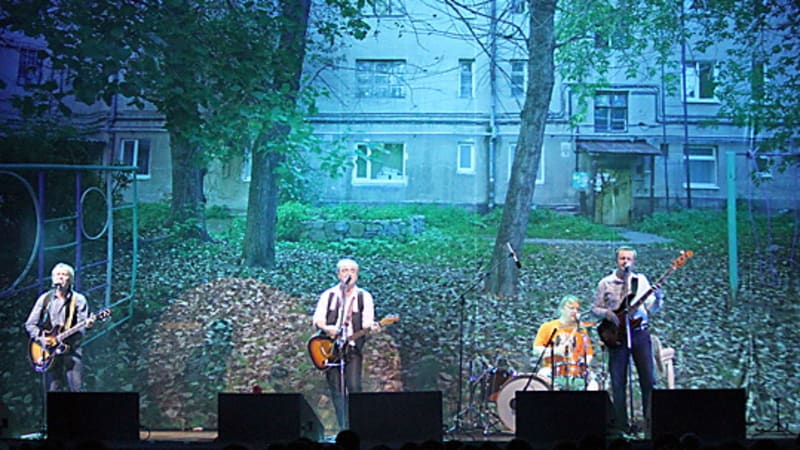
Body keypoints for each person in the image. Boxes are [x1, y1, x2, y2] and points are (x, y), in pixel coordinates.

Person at [591, 246, 663, 435]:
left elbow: (652, 309)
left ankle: (650, 423)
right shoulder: (606, 282)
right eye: (622, 258)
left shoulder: (641, 281)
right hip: (617, 335)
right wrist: (607, 314)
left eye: (629, 259)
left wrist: (658, 298)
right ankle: (621, 425)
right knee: (618, 381)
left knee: (648, 379)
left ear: (634, 261)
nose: (625, 262)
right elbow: (595, 308)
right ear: (617, 260)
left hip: (639, 333)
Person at [312, 258, 378, 429]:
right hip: (330, 348)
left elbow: (367, 322)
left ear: (357, 275)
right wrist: (328, 329)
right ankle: (343, 427)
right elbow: (318, 319)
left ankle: (358, 426)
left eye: (352, 271)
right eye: (344, 270)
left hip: (352, 348)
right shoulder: (329, 295)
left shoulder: (364, 297)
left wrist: (372, 327)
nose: (349, 274)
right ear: (338, 275)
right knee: (337, 389)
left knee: (354, 386)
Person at [24, 262, 93, 391]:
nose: (60, 277)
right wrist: (41, 338)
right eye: (57, 275)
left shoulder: (79, 299)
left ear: (70, 280)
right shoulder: (45, 299)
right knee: (53, 387)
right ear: (53, 279)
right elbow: (30, 323)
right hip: (48, 349)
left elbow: (83, 325)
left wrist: (88, 325)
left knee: (76, 386)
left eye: (64, 275)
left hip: (71, 348)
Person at [532, 295, 594, 390]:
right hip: (551, 369)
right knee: (541, 379)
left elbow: (589, 354)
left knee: (593, 384)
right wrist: (557, 351)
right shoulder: (548, 327)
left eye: (577, 309)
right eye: (571, 308)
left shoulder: (581, 330)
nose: (575, 311)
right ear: (562, 309)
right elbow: (536, 350)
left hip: (575, 371)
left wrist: (584, 364)